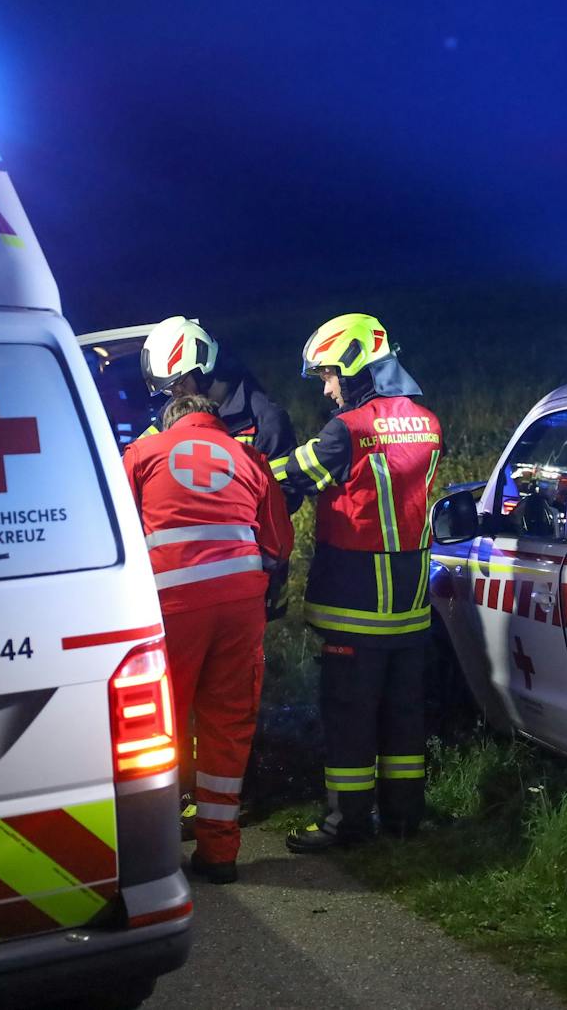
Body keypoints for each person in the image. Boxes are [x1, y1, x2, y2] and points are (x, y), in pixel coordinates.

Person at [272, 313, 443, 852]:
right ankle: (403, 817)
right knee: (403, 715)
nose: (326, 388)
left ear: (353, 366)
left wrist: (233, 464)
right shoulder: (428, 420)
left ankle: (346, 824)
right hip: (412, 601)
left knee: (350, 717)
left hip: (355, 600)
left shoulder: (347, 429)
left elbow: (288, 474)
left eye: (328, 375)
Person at [123, 392, 294, 883]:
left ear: (169, 420)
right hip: (240, 608)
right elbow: (279, 544)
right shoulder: (249, 456)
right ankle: (219, 853)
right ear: (215, 422)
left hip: (169, 609)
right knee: (227, 723)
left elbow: (114, 527)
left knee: (159, 727)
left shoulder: (142, 454)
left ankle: (151, 849)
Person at [140, 315, 298, 462]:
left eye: (179, 382)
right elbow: (139, 453)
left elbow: (282, 489)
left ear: (203, 370)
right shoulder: (175, 407)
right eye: (169, 389)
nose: (175, 394)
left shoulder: (265, 420)